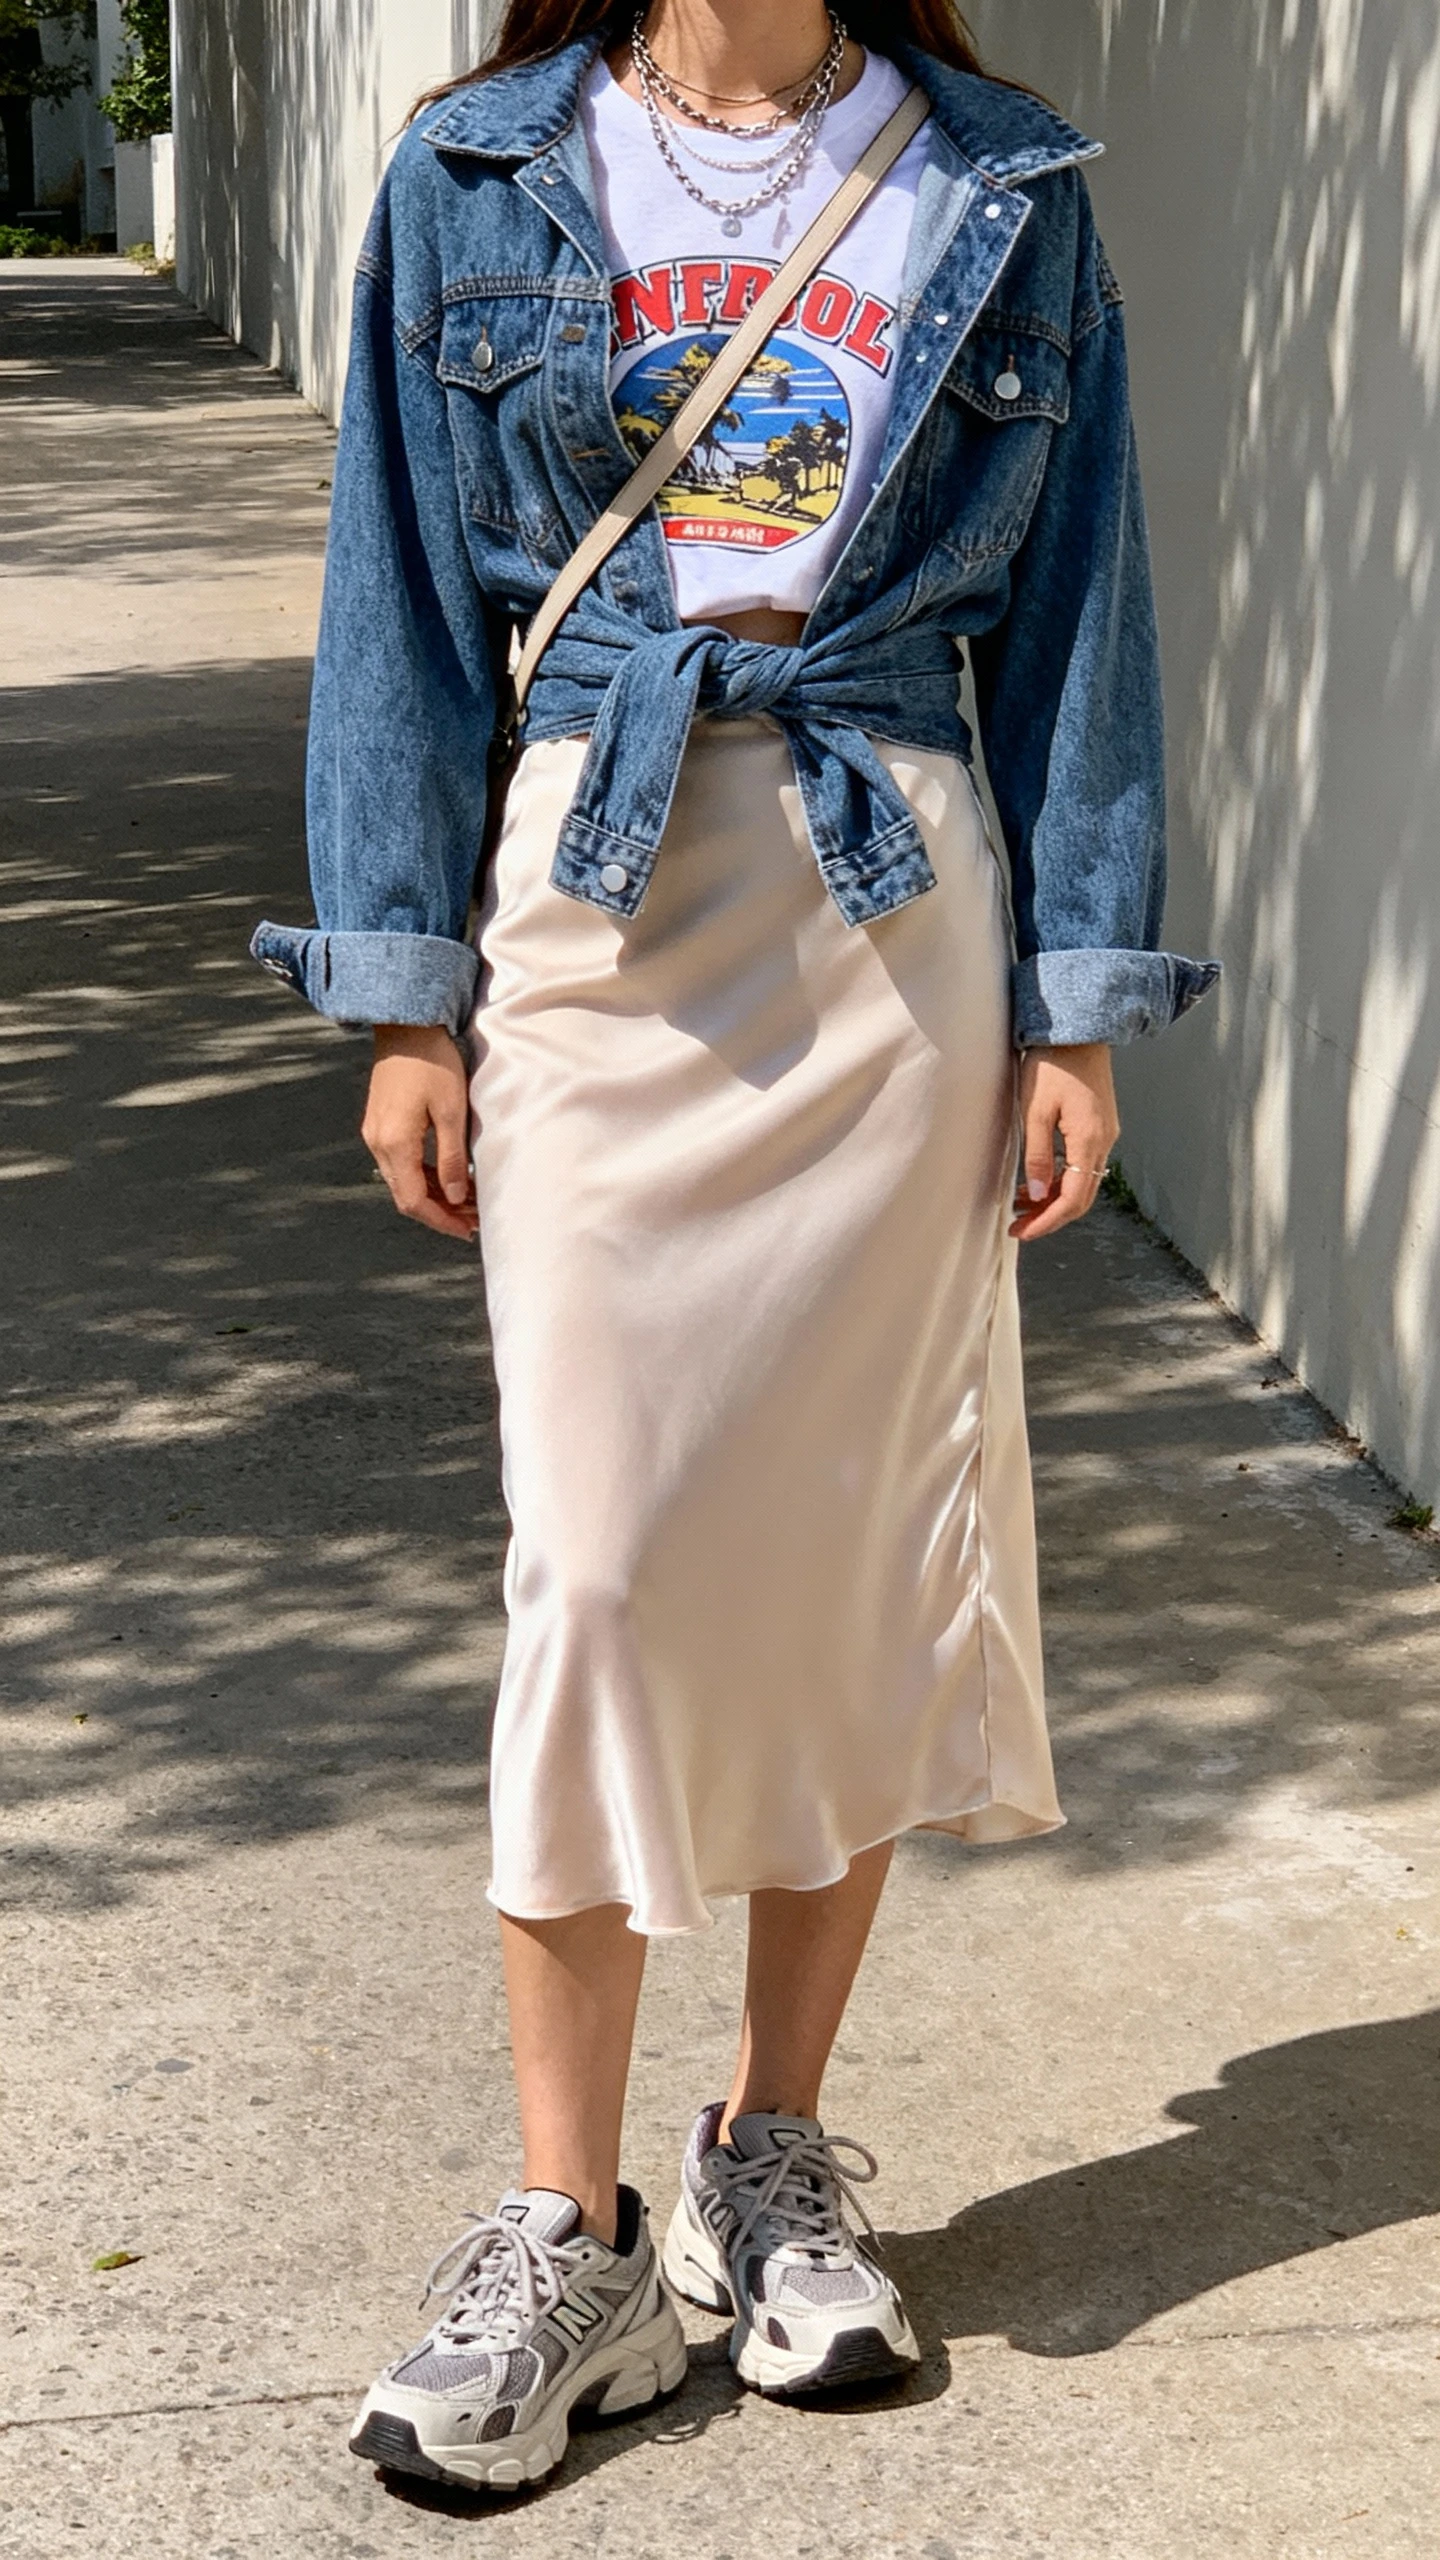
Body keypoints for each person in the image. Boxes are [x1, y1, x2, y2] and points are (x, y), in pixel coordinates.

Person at [252, 0, 1217, 2495]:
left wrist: (1079, 1004)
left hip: (896, 909)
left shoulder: (1001, 177)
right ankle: (560, 2225)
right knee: (594, 1562)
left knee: (843, 1551)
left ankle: (766, 2151)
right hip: (594, 894)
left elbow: (1084, 601)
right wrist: (403, 992)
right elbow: (398, 591)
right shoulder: (479, 170)